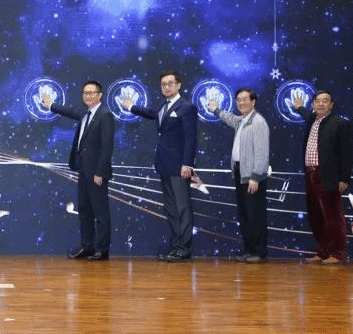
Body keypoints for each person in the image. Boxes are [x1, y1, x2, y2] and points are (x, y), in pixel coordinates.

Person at [123, 71, 197, 261]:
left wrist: (187, 164)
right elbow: (151, 114)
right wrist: (131, 107)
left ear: (178, 85)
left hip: (179, 167)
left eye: (170, 83)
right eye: (163, 84)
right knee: (171, 208)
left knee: (182, 208)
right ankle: (176, 247)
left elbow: (191, 138)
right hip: (164, 165)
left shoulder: (186, 107)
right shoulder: (164, 106)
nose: (167, 87)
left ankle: (184, 249)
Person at [42, 80, 115, 261]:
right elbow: (70, 112)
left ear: (100, 95)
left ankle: (102, 250)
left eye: (92, 93)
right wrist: (51, 105)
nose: (88, 96)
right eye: (85, 93)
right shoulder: (85, 113)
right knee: (84, 210)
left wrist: (100, 172)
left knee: (100, 212)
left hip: (97, 173)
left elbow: (107, 147)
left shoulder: (105, 115)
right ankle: (87, 246)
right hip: (83, 170)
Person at [208, 88, 270, 263]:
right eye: (238, 100)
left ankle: (259, 252)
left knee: (254, 214)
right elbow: (230, 118)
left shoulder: (258, 122)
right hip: (240, 173)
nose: (241, 103)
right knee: (245, 214)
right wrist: (216, 110)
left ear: (253, 102)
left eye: (245, 99)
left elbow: (262, 153)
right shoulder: (242, 120)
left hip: (251, 176)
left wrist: (255, 176)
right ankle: (249, 250)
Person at [292, 90, 353, 264]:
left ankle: (338, 253)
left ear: (331, 104)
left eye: (325, 101)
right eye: (317, 101)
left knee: (333, 216)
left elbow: (347, 153)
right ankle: (323, 251)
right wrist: (299, 107)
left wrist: (344, 179)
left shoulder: (340, 123)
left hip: (328, 176)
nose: (321, 104)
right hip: (310, 174)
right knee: (316, 216)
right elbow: (307, 114)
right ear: (313, 104)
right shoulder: (313, 120)